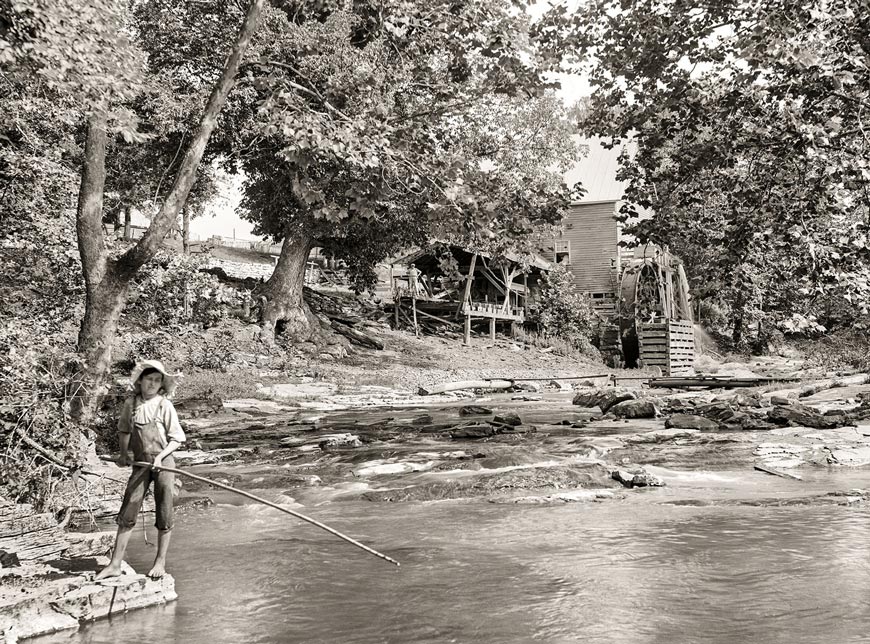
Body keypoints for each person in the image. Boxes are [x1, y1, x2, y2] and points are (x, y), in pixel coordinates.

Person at [95, 360, 186, 581]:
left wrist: (161, 458)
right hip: (141, 464)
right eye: (149, 379)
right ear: (141, 381)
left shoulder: (164, 405)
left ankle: (160, 562)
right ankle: (115, 564)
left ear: (161, 384)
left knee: (164, 511)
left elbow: (177, 439)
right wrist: (124, 455)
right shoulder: (131, 404)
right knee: (128, 509)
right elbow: (124, 431)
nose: (153, 384)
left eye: (157, 380)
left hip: (164, 464)